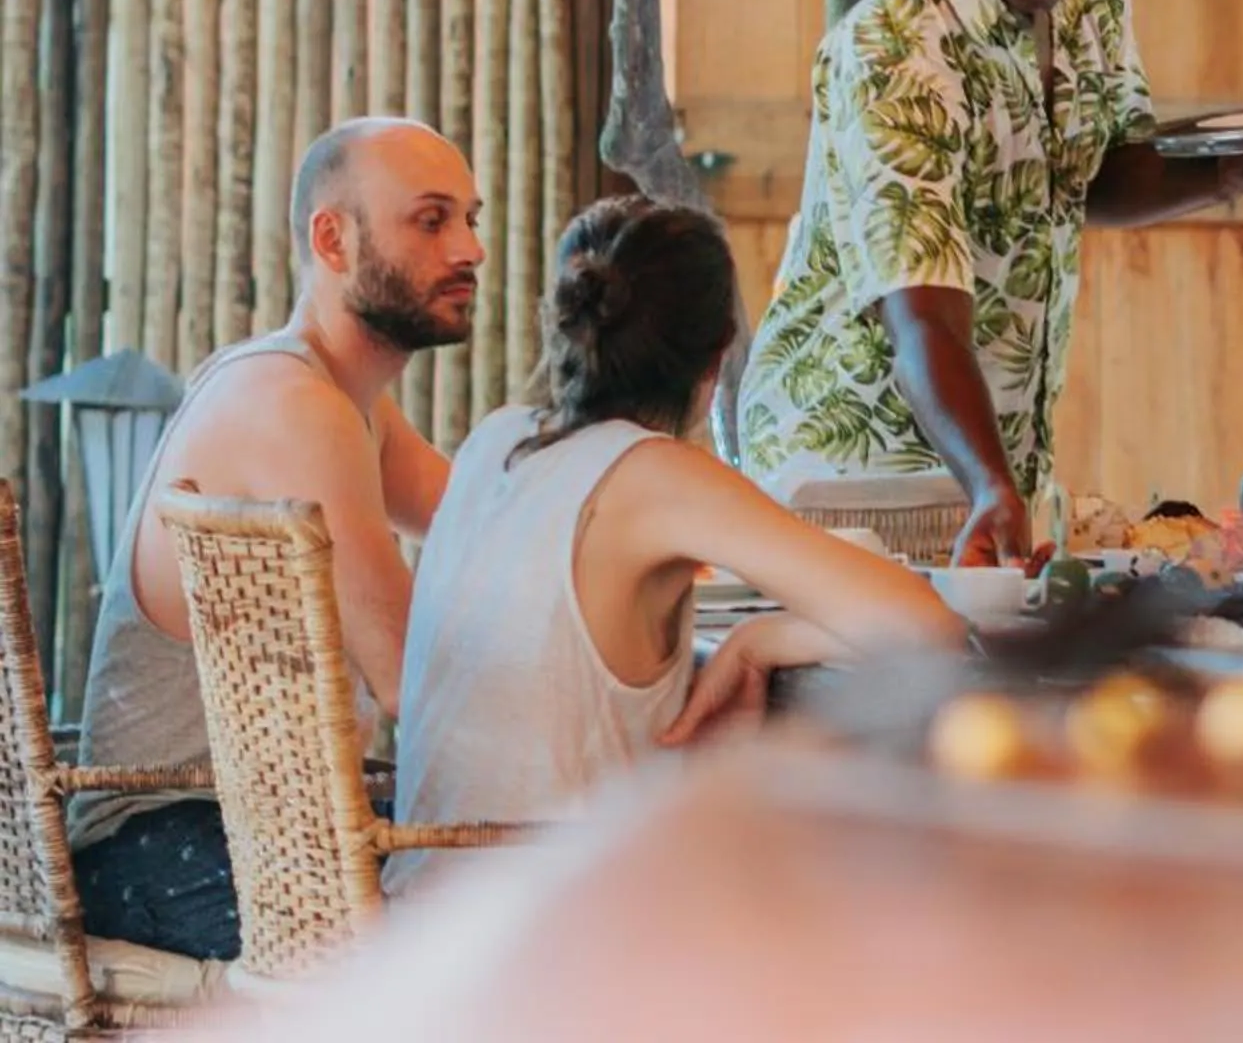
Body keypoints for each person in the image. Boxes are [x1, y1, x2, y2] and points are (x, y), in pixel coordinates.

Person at [736, 0, 1243, 566]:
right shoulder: (896, 50)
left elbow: (1093, 178)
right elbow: (922, 319)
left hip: (989, 477)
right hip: (851, 482)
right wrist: (990, 483)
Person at [387, 197, 965, 895]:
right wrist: (759, 640)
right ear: (719, 356)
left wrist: (747, 643)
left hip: (423, 918)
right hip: (558, 928)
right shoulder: (657, 475)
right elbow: (926, 626)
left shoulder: (496, 437)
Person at [73, 118, 479, 961]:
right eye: (432, 220)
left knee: (543, 889)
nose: (470, 249)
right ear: (332, 240)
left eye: (471, 220)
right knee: (521, 920)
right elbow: (410, 680)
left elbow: (487, 523)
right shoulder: (293, 406)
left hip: (264, 825)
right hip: (160, 841)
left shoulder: (345, 401)